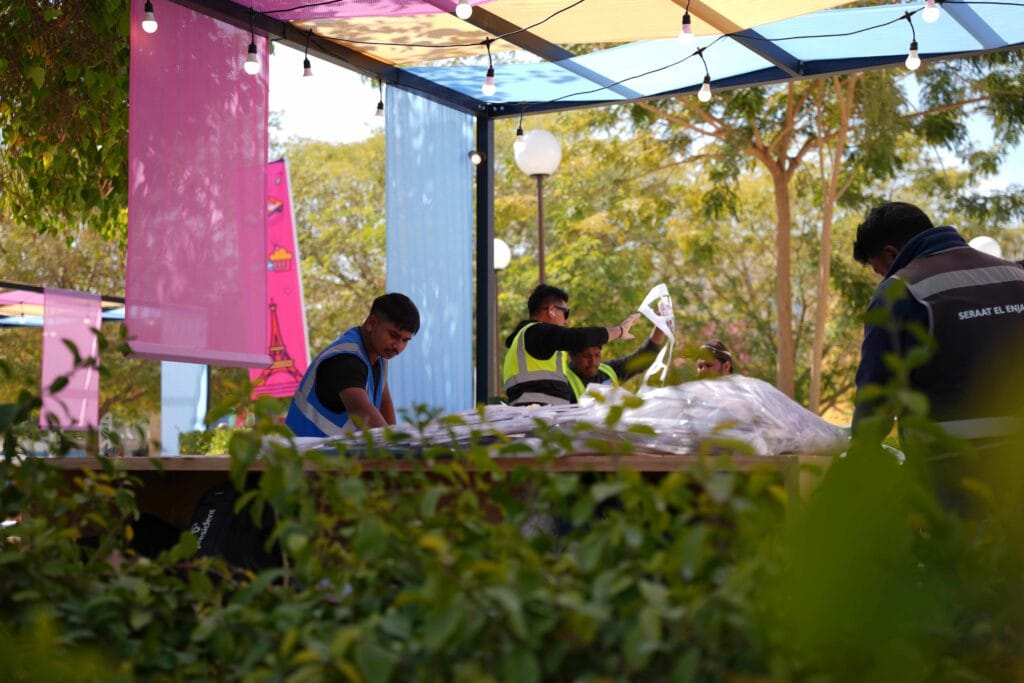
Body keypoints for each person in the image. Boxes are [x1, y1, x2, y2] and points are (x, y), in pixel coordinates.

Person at [851, 201, 1024, 442]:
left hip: (948, 463)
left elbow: (876, 394)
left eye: (881, 271)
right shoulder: (1017, 274)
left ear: (891, 253)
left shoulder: (900, 290)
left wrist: (861, 451)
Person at [286, 293, 420, 436]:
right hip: (302, 455)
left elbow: (384, 403)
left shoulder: (379, 356)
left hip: (328, 455)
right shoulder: (346, 360)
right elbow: (362, 412)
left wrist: (397, 442)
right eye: (393, 335)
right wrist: (398, 446)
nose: (398, 347)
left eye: (405, 340)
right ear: (372, 323)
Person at [503, 284, 640, 406]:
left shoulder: (524, 340)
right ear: (552, 310)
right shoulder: (536, 332)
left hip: (537, 417)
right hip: (539, 419)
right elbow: (581, 338)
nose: (566, 321)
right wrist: (620, 331)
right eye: (565, 313)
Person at [566, 324, 669, 400]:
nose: (592, 361)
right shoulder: (563, 381)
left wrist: (661, 326)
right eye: (586, 356)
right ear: (571, 355)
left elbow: (643, 359)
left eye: (597, 355)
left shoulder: (608, 371)